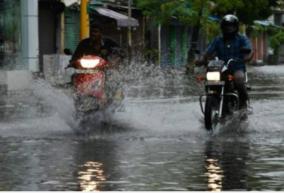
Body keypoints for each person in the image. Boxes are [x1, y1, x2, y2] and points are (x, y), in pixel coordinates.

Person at [196, 14, 253, 109]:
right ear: (223, 27)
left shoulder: (242, 39)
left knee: (239, 80)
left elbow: (250, 51)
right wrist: (201, 60)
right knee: (210, 79)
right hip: (220, 67)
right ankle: (212, 98)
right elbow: (207, 52)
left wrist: (247, 58)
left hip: (237, 67)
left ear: (236, 27)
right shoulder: (218, 40)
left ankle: (243, 102)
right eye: (227, 25)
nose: (229, 28)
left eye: (231, 25)